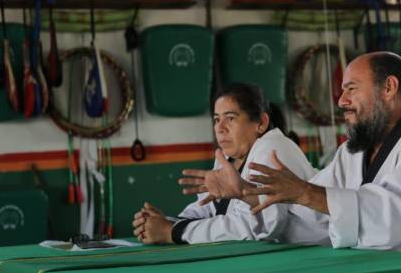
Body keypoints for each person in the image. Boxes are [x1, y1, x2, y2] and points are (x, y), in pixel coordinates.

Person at [182, 52, 401, 256]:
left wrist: (305, 193)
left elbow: (394, 220)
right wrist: (246, 193)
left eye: (351, 89)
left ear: (388, 88)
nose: (341, 100)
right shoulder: (353, 152)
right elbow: (309, 220)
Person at [132, 83, 316, 244]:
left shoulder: (273, 149)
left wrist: (172, 232)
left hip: (314, 254)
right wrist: (165, 222)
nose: (220, 128)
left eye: (230, 118)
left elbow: (252, 228)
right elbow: (207, 208)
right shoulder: (229, 158)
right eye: (216, 119)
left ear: (261, 122)